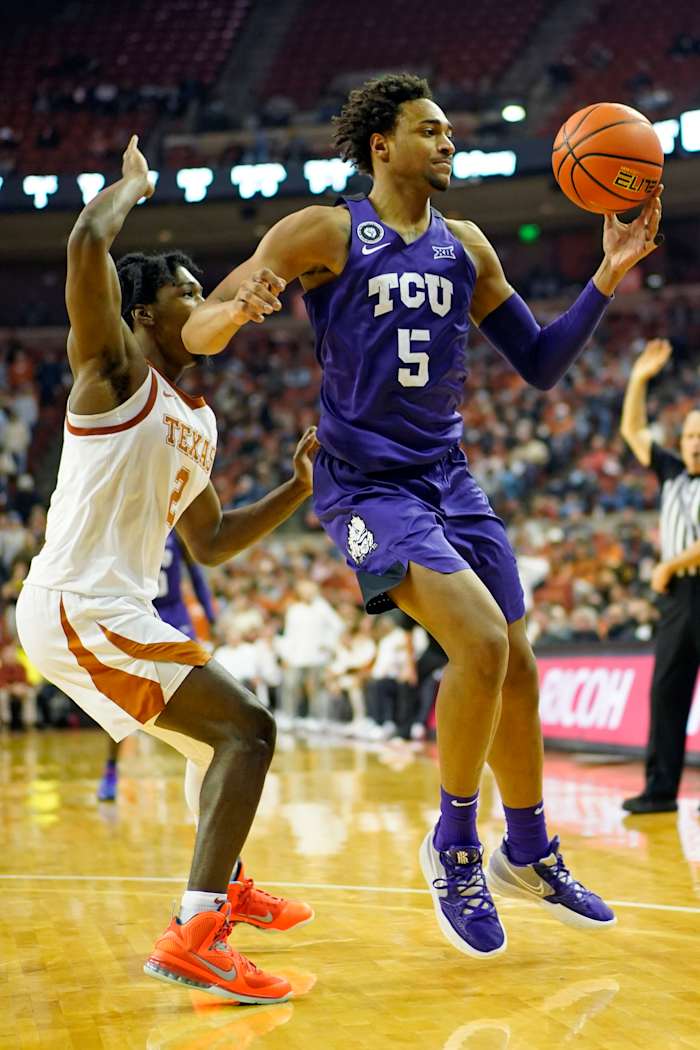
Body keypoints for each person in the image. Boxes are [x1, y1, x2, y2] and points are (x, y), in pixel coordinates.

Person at [182, 75, 662, 958]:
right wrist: (235, 311)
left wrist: (607, 273)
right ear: (382, 145)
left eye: (448, 132)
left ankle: (528, 849)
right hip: (364, 487)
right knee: (479, 643)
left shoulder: (468, 246)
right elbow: (200, 332)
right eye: (429, 131)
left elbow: (543, 364)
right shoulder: (323, 230)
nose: (447, 143)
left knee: (517, 662)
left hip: (450, 476)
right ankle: (454, 845)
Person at [16, 136, 316, 1003]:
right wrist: (132, 187)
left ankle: (224, 891)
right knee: (250, 729)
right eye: (186, 292)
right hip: (78, 604)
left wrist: (295, 489)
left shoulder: (200, 419)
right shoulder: (112, 374)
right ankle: (198, 928)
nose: (201, 301)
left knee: (211, 745)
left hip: (119, 608)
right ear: (143, 314)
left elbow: (213, 542)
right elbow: (85, 246)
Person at [620, 338, 700, 814]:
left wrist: (667, 564)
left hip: (683, 580)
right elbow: (633, 431)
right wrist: (638, 379)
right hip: (676, 600)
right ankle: (660, 791)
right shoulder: (670, 470)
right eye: (690, 435)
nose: (695, 443)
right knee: (666, 691)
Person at [97, 531, 216, 801]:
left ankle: (206, 763)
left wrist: (209, 614)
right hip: (139, 613)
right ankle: (111, 769)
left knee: (202, 684)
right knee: (122, 701)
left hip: (175, 613)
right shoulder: (129, 523)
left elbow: (195, 573)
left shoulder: (179, 528)